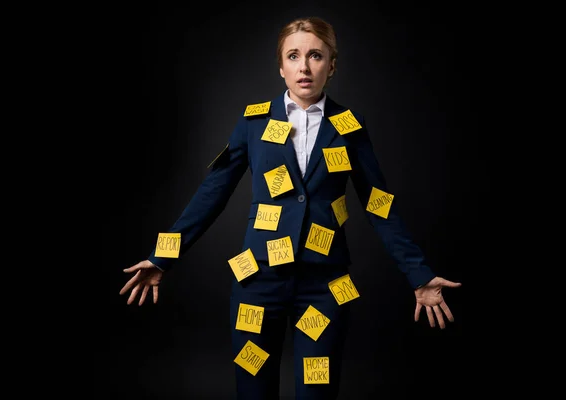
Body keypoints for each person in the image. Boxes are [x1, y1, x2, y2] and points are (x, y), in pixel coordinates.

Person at [119, 16, 461, 399]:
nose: (304, 66)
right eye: (293, 56)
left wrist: (418, 273)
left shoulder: (350, 126)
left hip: (325, 286)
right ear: (280, 66)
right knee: (254, 391)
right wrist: (163, 257)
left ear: (331, 66)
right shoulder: (253, 120)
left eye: (315, 55)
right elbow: (212, 193)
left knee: (317, 393)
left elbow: (378, 204)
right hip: (257, 283)